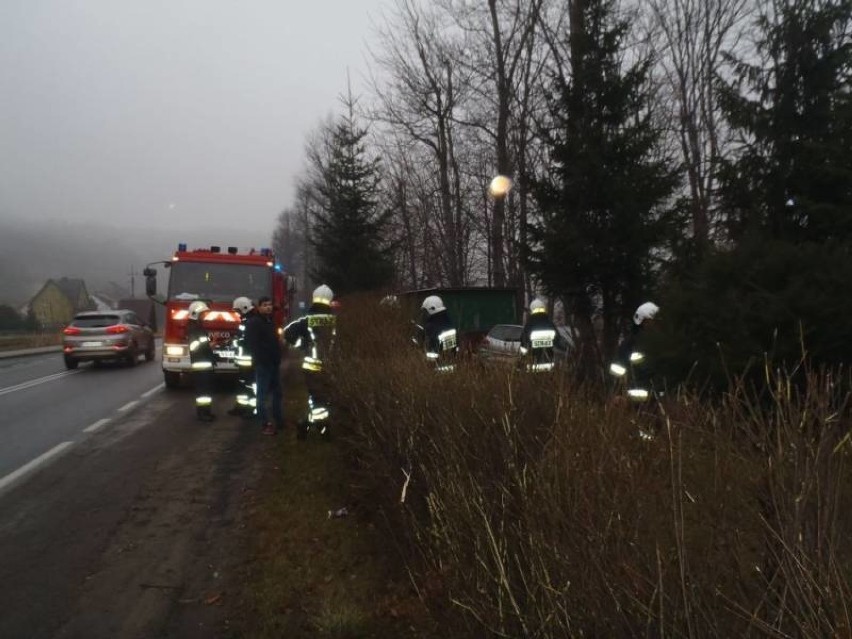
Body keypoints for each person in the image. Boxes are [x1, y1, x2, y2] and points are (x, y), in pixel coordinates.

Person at [284, 284, 336, 440]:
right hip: (331, 367)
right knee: (321, 399)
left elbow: (287, 333)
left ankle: (305, 424)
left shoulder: (306, 321)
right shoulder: (335, 321)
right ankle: (323, 430)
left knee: (318, 398)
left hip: (311, 368)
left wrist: (303, 346)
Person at [245, 295, 283, 436]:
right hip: (263, 365)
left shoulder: (270, 321)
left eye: (269, 304)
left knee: (277, 394)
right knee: (261, 395)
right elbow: (252, 344)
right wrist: (261, 359)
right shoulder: (254, 323)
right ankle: (265, 423)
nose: (268, 307)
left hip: (273, 363)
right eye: (265, 305)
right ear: (259, 307)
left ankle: (279, 420)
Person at [609, 301, 660, 402]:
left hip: (660, 395)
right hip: (636, 399)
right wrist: (617, 393)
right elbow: (618, 369)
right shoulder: (630, 344)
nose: (655, 324)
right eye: (651, 321)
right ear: (642, 322)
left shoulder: (663, 341)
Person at [227, 296, 256, 417]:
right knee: (242, 386)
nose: (237, 313)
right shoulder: (246, 321)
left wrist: (235, 342)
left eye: (238, 311)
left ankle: (251, 410)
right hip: (243, 361)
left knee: (250, 386)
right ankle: (241, 407)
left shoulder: (251, 322)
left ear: (244, 308)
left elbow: (248, 341)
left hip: (249, 362)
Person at [187, 300, 216, 422]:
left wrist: (210, 341)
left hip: (204, 364)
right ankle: (203, 414)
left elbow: (202, 342)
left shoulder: (197, 328)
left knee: (205, 392)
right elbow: (195, 346)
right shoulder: (194, 329)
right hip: (201, 365)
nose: (204, 316)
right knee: (203, 393)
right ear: (196, 314)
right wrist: (210, 345)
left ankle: (206, 412)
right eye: (202, 314)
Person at [417, 295, 458, 372]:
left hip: (437, 369)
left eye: (426, 311)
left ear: (432, 309)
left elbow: (431, 348)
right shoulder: (448, 322)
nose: (425, 314)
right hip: (451, 367)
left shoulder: (432, 326)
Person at [519, 298, 558, 372]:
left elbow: (523, 344)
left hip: (533, 366)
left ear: (532, 309)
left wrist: (522, 360)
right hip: (550, 366)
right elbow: (558, 341)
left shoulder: (529, 325)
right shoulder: (550, 324)